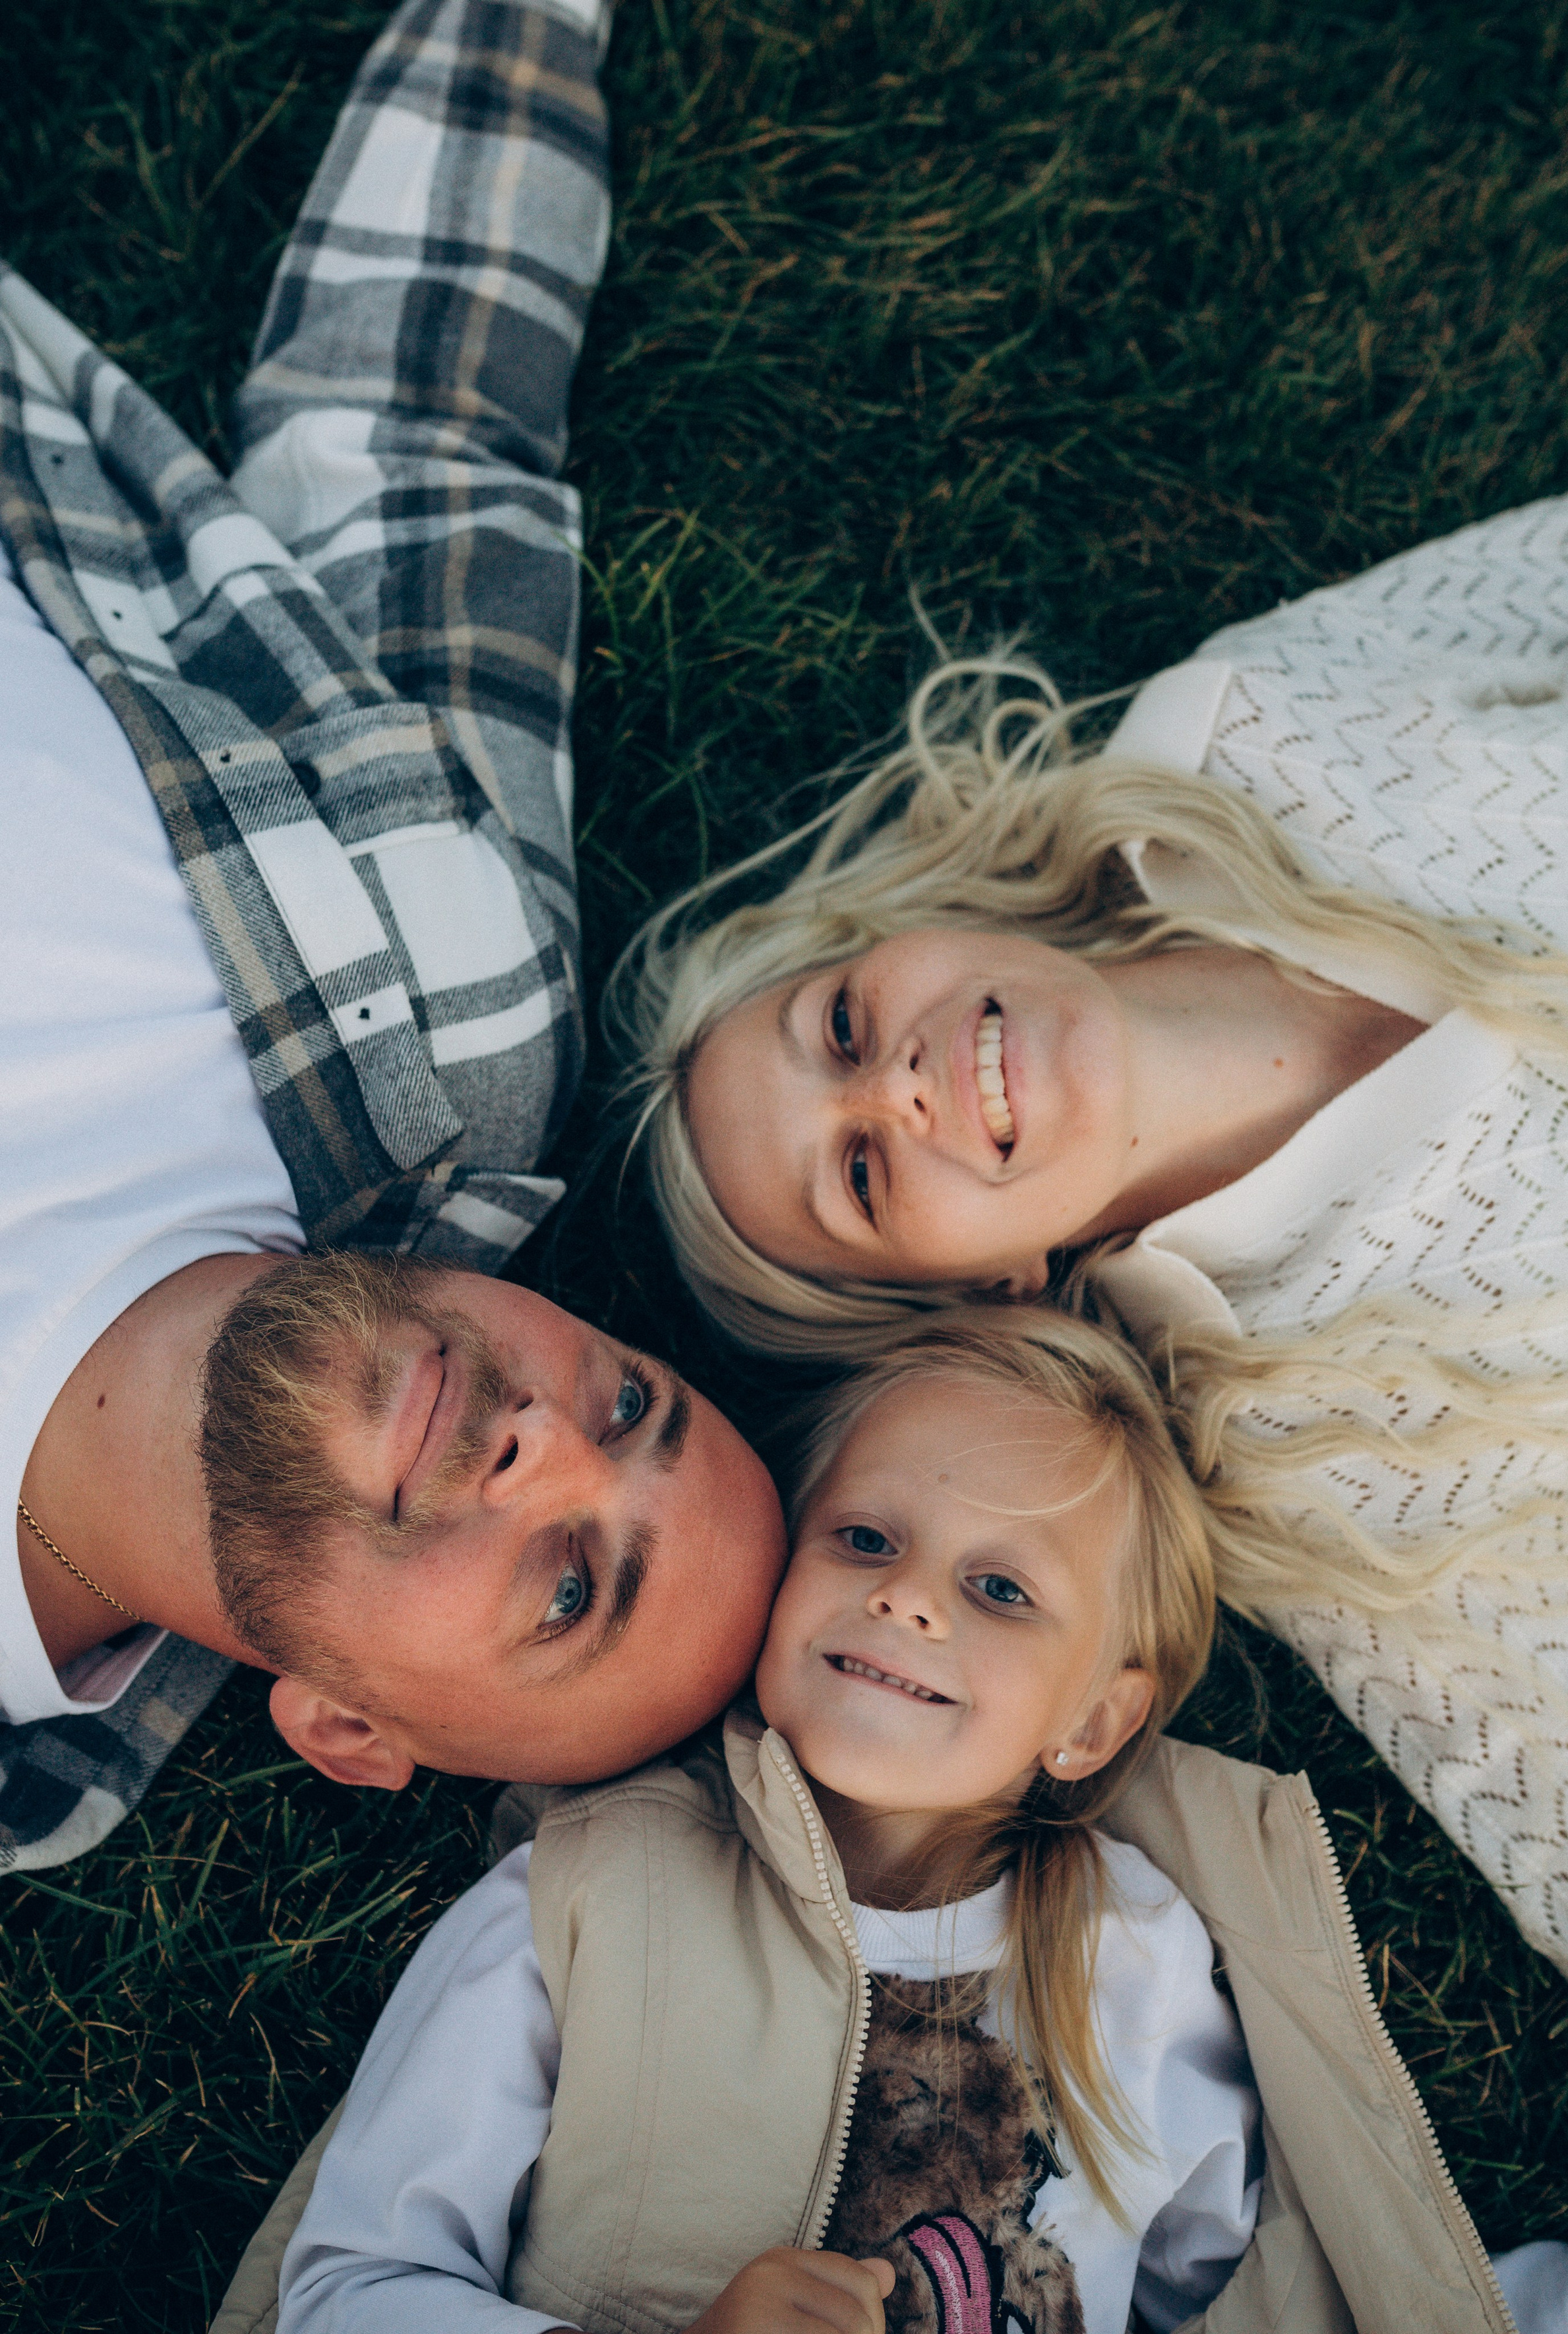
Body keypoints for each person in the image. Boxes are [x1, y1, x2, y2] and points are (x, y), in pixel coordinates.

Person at [616, 494, 1568, 2107]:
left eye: (839, 1025)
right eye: (859, 1176)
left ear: (897, 936)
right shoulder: (1344, 1461)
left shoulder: (1234, 734)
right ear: (981, 1285)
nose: (897, 1086)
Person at [213, 1312, 1568, 2334]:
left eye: (1000, 1591)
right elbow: (343, 2293)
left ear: (1091, 1722)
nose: (906, 1597)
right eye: (865, 1539)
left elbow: (1250, 2293)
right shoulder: (583, 1900)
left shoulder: (1138, 1961)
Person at [0, 0, 784, 1873]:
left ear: (347, 1732)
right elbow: (419, 441)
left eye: (572, 1588)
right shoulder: (444, 1021)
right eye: (628, 1398)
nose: (555, 1448)